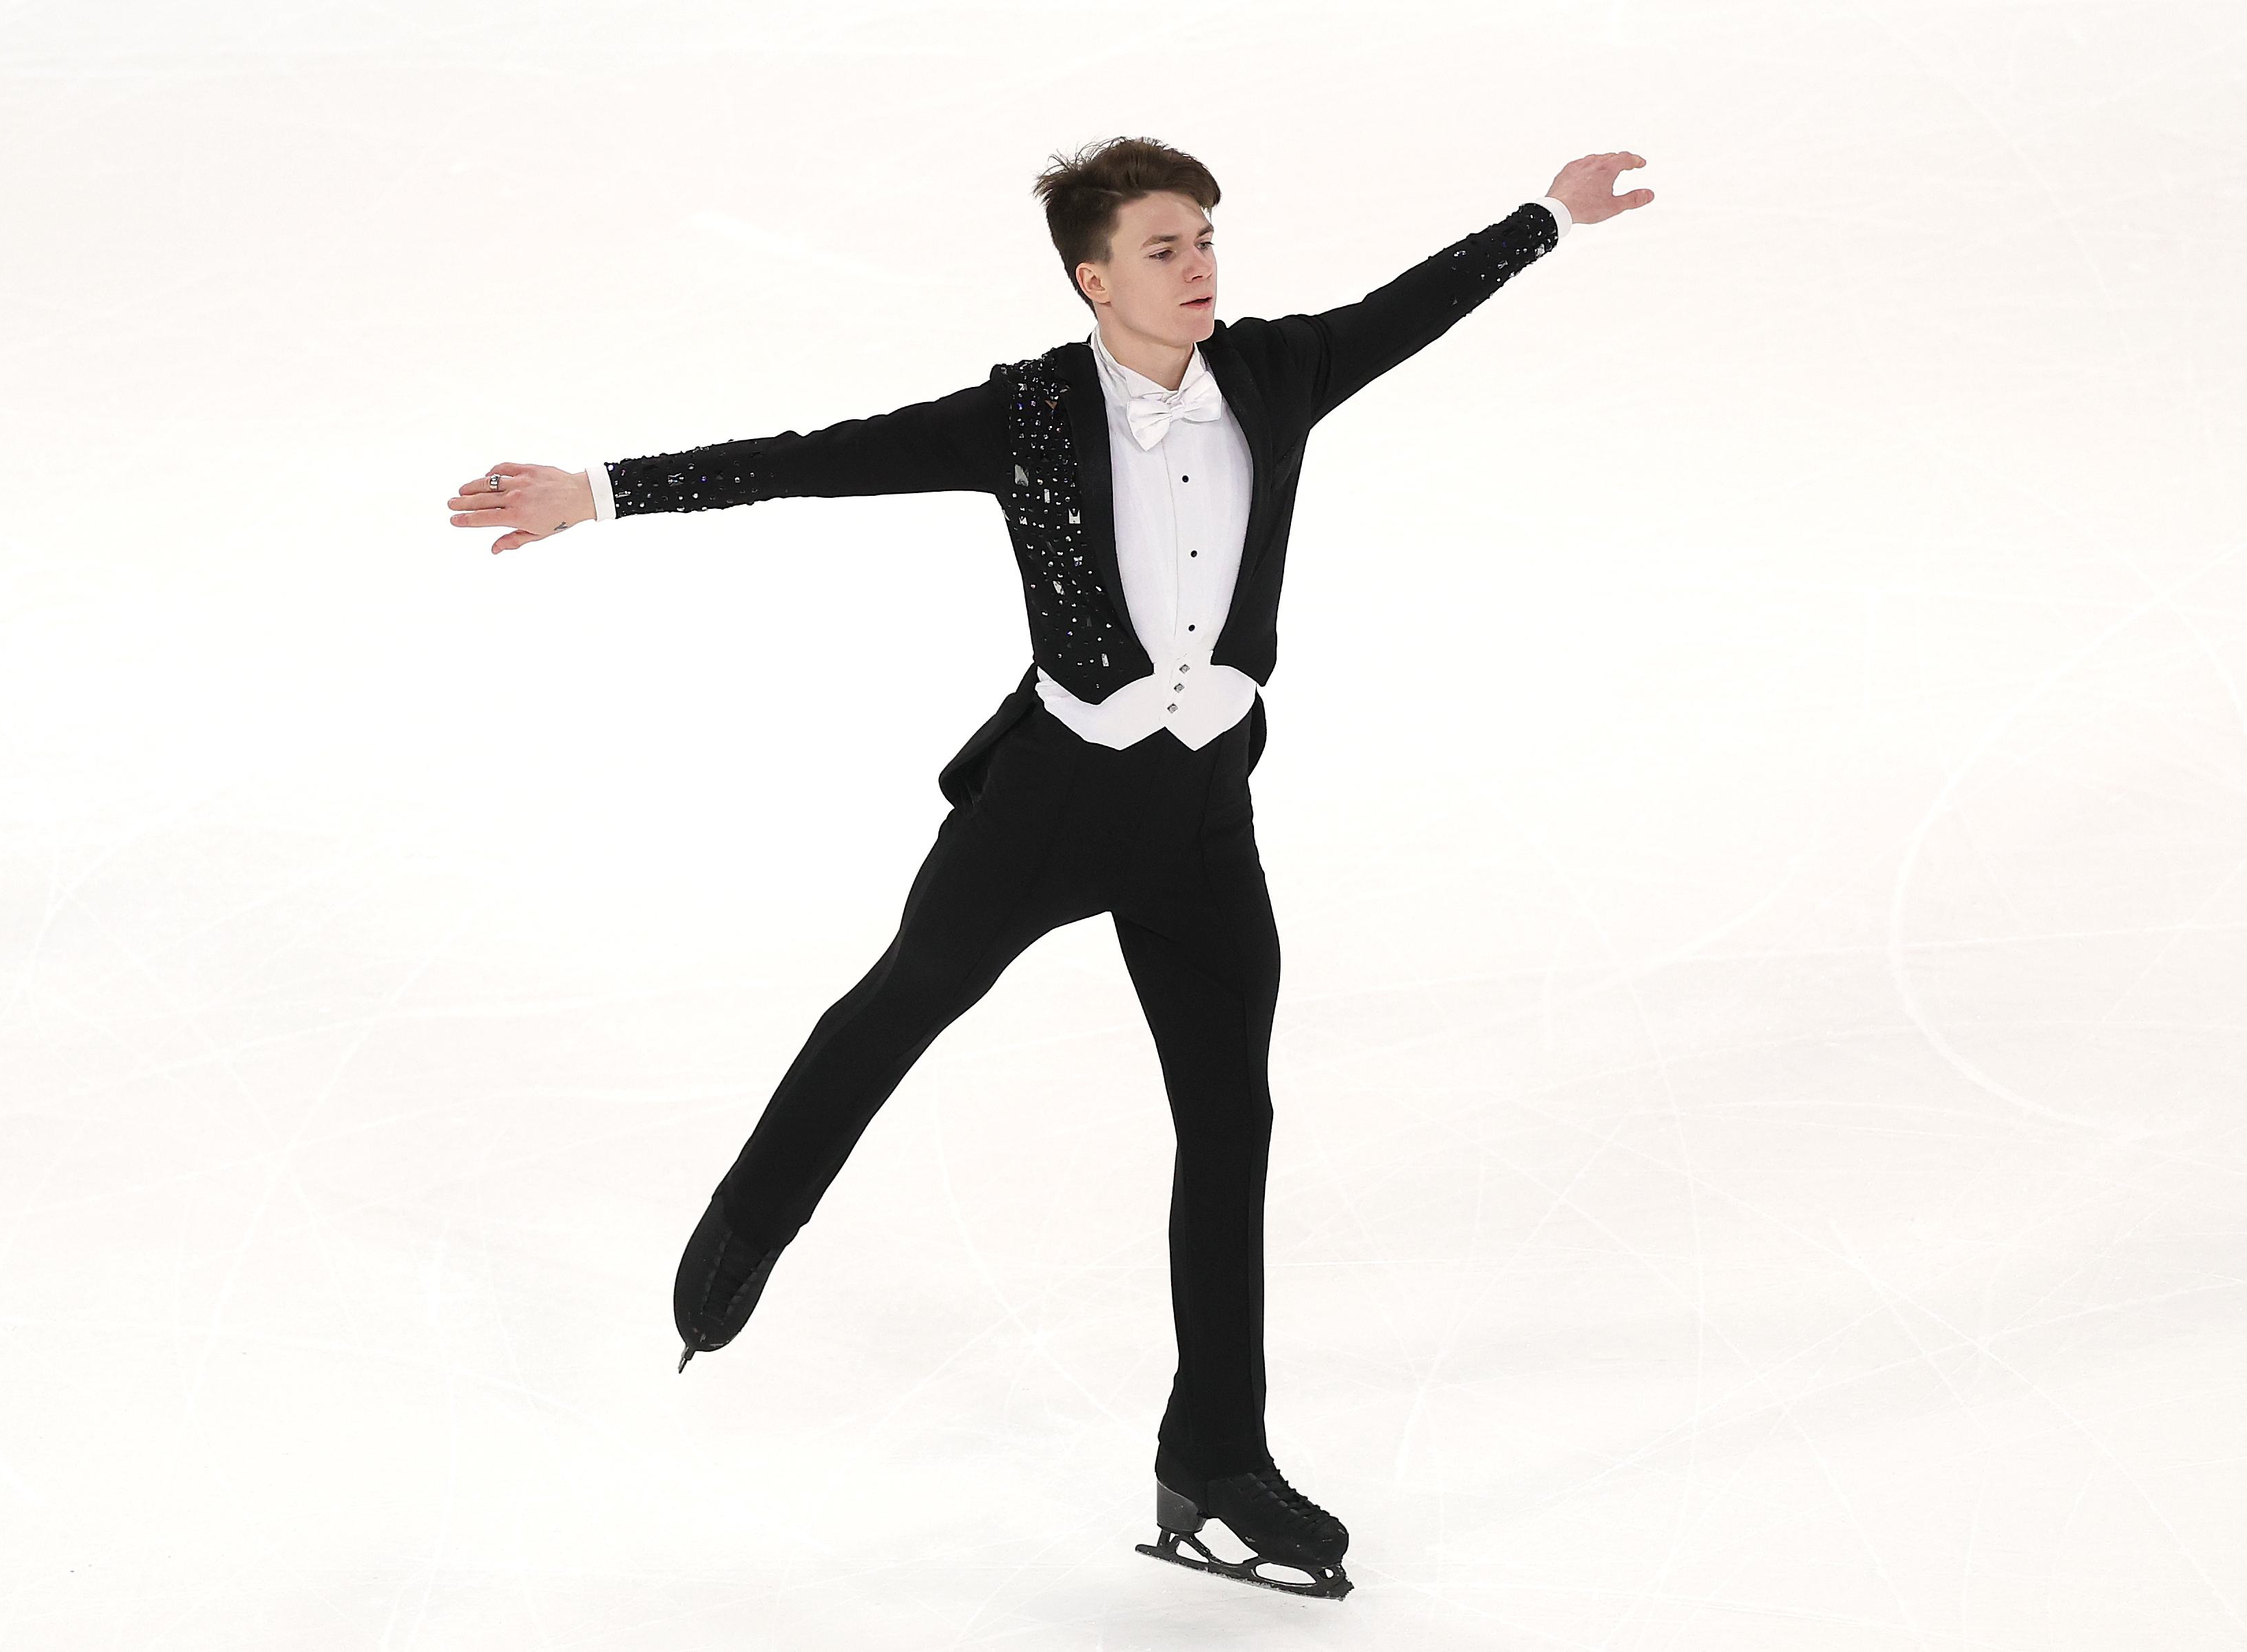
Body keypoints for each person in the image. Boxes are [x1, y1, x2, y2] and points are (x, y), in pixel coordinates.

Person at [445, 136, 1653, 1600]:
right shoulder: (1024, 414)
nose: (1199, 266)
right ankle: (750, 1222)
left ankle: (1216, 1460)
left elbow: (1415, 305)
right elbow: (816, 461)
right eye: (1163, 249)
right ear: (1093, 277)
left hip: (1203, 815)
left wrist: (1548, 219)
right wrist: (603, 491)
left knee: (1230, 1126)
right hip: (1052, 806)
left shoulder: (1275, 377)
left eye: (1206, 239)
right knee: (903, 1002)